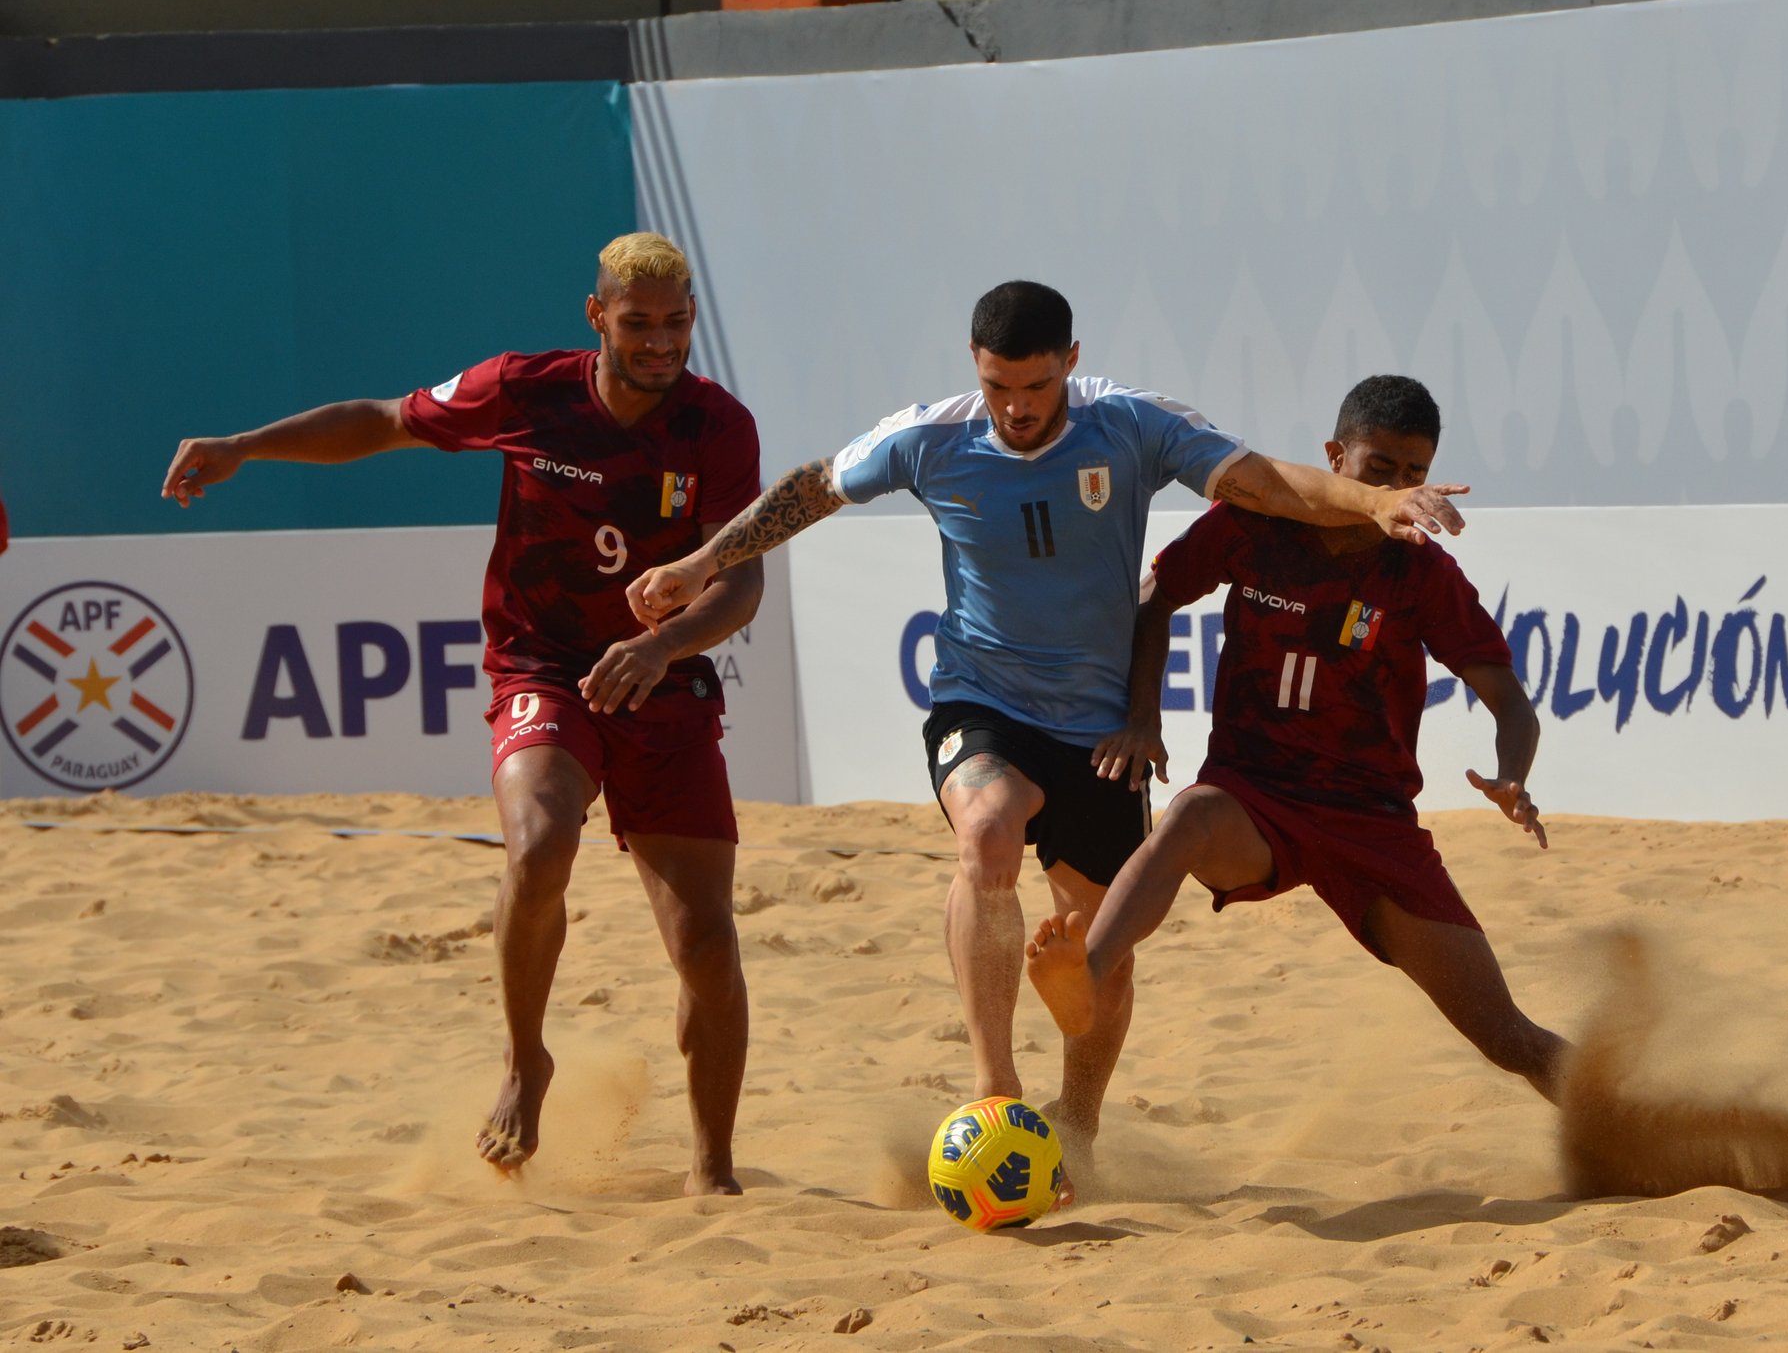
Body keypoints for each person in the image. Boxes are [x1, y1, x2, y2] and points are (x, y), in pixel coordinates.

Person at [626, 283, 1472, 1164]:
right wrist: (700, 561)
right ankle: (996, 1092)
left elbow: (1265, 484)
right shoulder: (930, 437)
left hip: (1098, 731)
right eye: (999, 387)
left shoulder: (1131, 424)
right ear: (975, 365)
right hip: (982, 699)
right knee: (987, 833)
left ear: (1070, 362)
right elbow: (811, 490)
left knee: (1092, 945)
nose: (1017, 409)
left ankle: (1079, 1126)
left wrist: (1372, 501)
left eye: (1035, 387)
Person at [160, 233, 761, 1190]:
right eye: (639, 322)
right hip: (545, 664)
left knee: (705, 942)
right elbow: (381, 420)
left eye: (677, 322)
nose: (660, 341)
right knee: (535, 846)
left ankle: (714, 1171)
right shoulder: (525, 389)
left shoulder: (718, 427)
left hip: (662, 679)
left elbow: (740, 589)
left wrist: (659, 646)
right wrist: (245, 446)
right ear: (596, 315)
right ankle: (527, 1060)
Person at [1026, 374, 1568, 1108]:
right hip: (1255, 798)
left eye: (1415, 474)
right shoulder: (1254, 525)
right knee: (1188, 817)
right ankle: (1084, 977)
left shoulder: (1422, 573)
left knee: (1509, 1039)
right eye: (1381, 469)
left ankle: (1638, 1126)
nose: (1400, 489)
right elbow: (1157, 601)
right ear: (1334, 457)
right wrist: (1143, 718)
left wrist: (1513, 777)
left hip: (1370, 825)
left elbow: (1510, 703)